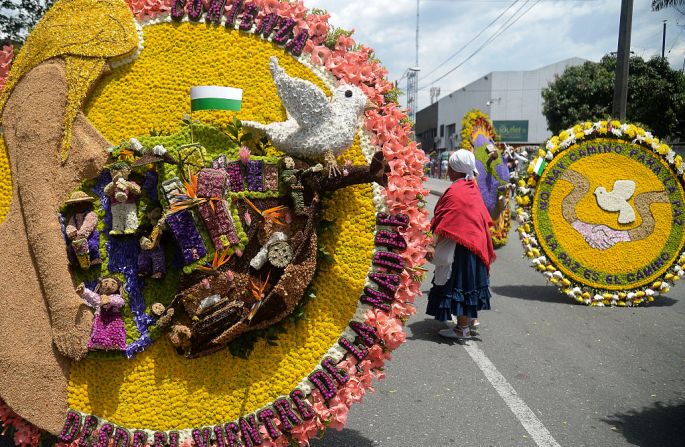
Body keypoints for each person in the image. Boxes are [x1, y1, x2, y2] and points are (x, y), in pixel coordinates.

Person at [426, 149, 496, 339]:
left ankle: (461, 329)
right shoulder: (470, 187)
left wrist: (432, 244)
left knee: (462, 285)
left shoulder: (457, 190)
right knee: (471, 284)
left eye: (449, 166)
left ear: (455, 169)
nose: (447, 169)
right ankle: (471, 321)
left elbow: (446, 221)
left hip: (464, 247)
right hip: (474, 244)